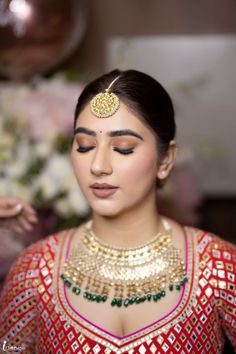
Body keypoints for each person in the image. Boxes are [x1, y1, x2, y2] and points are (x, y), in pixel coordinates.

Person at [0, 70, 235, 354]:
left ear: (166, 160)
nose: (98, 165)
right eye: (85, 146)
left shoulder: (218, 268)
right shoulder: (35, 271)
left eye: (123, 149)